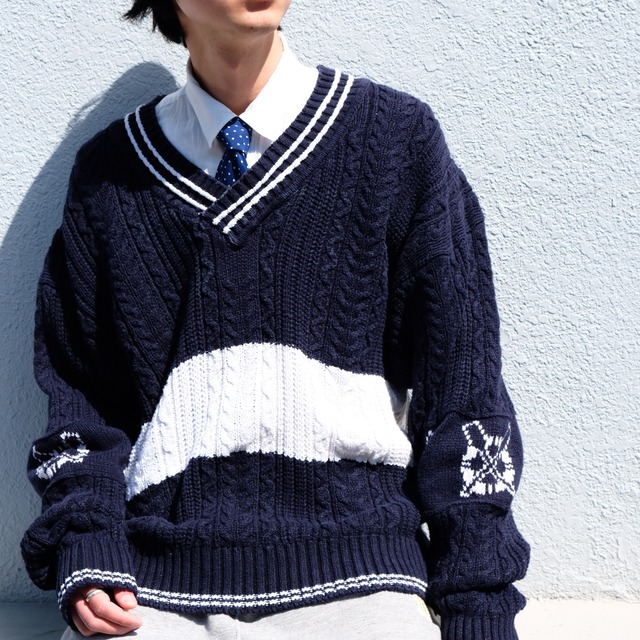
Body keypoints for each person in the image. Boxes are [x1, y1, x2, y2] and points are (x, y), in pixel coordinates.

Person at [21, 1, 530, 638]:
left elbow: (464, 393)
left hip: (365, 576)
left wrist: (479, 605)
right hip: (150, 593)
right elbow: (81, 401)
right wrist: (86, 545)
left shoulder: (396, 141)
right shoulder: (110, 176)